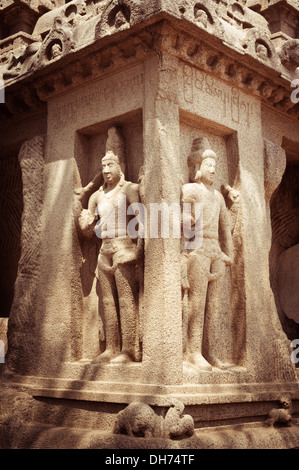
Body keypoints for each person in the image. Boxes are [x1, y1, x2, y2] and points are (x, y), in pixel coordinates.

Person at [78, 133, 142, 364]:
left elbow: (143, 222)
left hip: (123, 247)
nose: (106, 169)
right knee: (107, 302)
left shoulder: (129, 190)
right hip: (104, 251)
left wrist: (136, 252)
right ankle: (112, 347)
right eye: (103, 165)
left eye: (110, 165)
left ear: (120, 166)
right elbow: (89, 231)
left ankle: (129, 349)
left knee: (126, 300)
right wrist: (85, 223)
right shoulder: (96, 196)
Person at [181, 142, 233, 370]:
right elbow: (183, 220)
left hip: (216, 252)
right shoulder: (190, 190)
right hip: (197, 249)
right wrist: (187, 221)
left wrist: (228, 255)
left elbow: (226, 228)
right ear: (197, 168)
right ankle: (193, 351)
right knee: (197, 303)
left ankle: (210, 350)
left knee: (213, 305)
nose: (212, 169)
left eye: (214, 165)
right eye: (208, 164)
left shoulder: (219, 198)